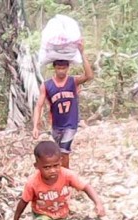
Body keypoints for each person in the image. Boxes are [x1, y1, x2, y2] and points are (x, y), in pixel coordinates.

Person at [32, 41, 94, 169]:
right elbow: (39, 106)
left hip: (71, 124)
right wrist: (35, 126)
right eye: (59, 68)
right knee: (59, 153)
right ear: (54, 68)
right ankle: (63, 175)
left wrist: (82, 52)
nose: (61, 71)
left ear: (68, 68)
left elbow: (89, 75)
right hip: (56, 126)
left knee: (64, 152)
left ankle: (66, 178)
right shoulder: (47, 85)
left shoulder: (73, 81)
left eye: (64, 68)